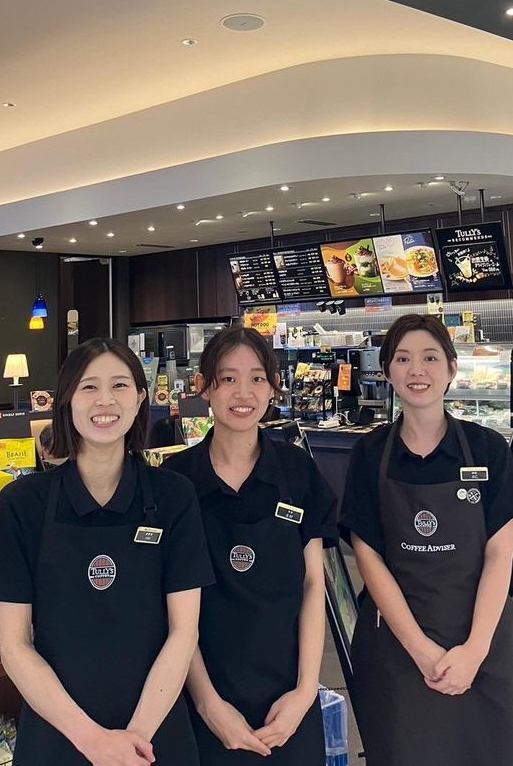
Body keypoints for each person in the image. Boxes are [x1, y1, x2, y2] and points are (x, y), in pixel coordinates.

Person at [0, 338, 214, 765]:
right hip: (58, 735)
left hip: (156, 736)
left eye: (120, 385)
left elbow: (184, 633)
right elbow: (15, 646)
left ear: (140, 399)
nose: (105, 400)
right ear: (66, 400)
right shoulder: (22, 504)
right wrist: (94, 741)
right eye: (89, 387)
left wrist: (134, 739)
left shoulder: (174, 497)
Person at [339, 314, 513, 766]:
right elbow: (369, 559)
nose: (417, 371)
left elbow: (500, 554)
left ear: (452, 368)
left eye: (430, 358)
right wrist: (422, 651)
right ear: (387, 371)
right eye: (403, 359)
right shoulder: (370, 454)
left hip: (485, 638)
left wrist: (474, 650)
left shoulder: (488, 448)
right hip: (398, 646)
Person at [169, 325, 338, 764]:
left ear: (273, 387)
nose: (243, 393)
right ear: (203, 386)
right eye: (228, 378)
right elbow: (170, 606)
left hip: (288, 700)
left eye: (257, 378)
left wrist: (305, 691)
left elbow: (313, 585)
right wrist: (207, 703)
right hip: (199, 697)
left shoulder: (298, 472)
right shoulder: (175, 482)